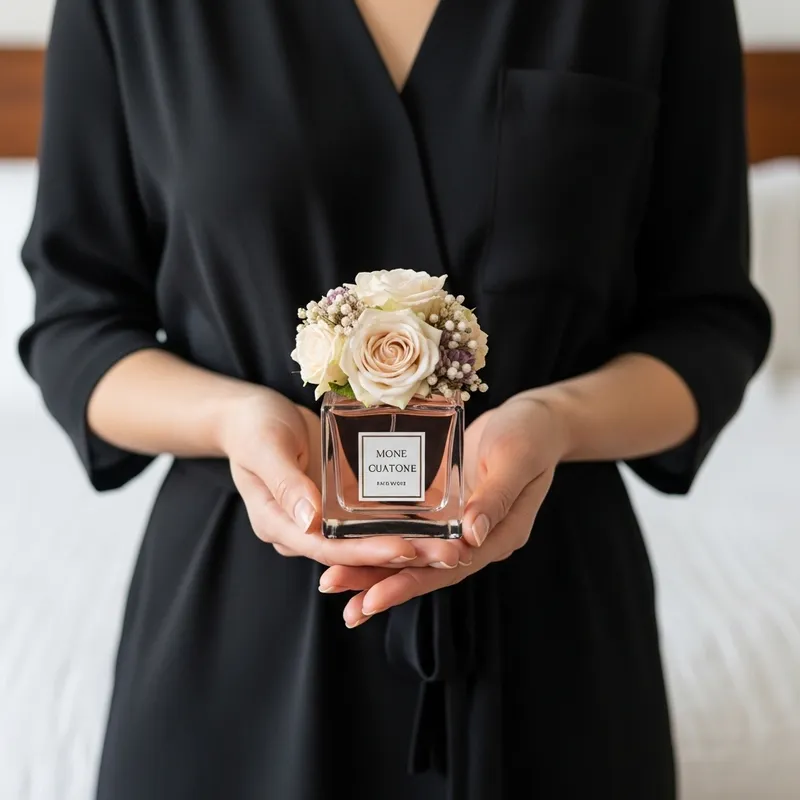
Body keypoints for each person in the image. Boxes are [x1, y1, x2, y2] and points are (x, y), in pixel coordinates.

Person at [19, 0, 771, 798]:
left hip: (552, 610)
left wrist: (557, 420)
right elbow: (79, 322)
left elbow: (706, 322)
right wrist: (234, 420)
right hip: (238, 622)